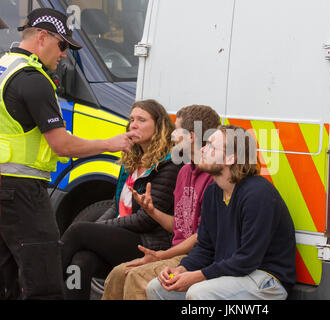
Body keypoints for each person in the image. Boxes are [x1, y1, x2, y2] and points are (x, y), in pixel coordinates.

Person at [0, 8, 139, 300]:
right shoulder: (33, 79)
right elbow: (62, 145)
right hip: (22, 191)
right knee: (44, 281)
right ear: (42, 37)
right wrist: (110, 143)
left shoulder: (5, 67)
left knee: (8, 278)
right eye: (63, 45)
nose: (64, 55)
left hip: (6, 187)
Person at [146, 125, 297, 300]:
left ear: (231, 158)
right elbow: (205, 247)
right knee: (157, 288)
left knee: (199, 293)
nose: (202, 149)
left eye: (211, 146)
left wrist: (197, 276)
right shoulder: (213, 191)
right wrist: (182, 269)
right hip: (232, 274)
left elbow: (248, 259)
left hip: (266, 279)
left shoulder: (258, 193)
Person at [60, 99, 181, 300]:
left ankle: (44, 287)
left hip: (148, 241)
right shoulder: (132, 161)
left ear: (158, 126)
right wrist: (101, 227)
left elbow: (147, 219)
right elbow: (117, 205)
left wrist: (104, 228)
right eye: (132, 119)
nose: (133, 124)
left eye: (142, 120)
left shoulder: (168, 165)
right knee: (81, 262)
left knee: (78, 230)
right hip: (122, 235)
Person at [102, 104, 221, 300]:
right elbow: (179, 227)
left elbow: (202, 236)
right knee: (117, 273)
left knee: (135, 277)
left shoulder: (212, 178)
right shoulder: (184, 172)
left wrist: (161, 256)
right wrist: (152, 211)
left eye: (177, 130)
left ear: (191, 136)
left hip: (194, 256)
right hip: (176, 253)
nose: (172, 136)